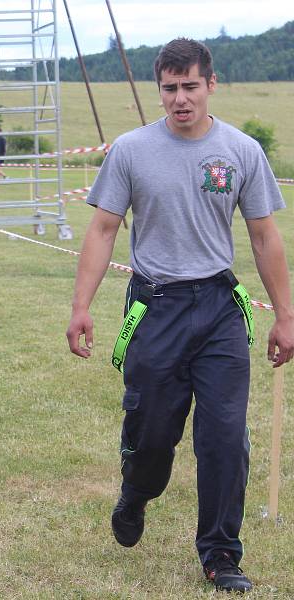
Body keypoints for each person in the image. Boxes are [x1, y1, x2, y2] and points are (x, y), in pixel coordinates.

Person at [65, 38, 293, 593]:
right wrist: (81, 308)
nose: (180, 99)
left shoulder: (241, 151)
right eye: (170, 88)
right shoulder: (131, 150)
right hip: (154, 308)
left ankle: (220, 554)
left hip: (218, 307)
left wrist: (286, 316)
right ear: (159, 90)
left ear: (211, 85)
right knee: (151, 435)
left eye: (191, 86)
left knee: (224, 438)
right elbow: (102, 230)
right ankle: (137, 491)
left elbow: (264, 237)